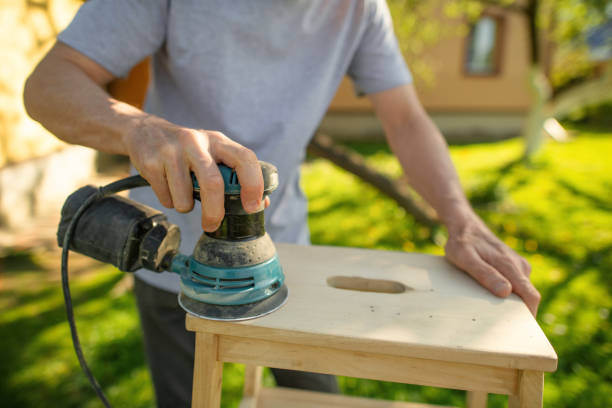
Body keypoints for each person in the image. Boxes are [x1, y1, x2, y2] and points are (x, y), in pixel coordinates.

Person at [24, 1, 541, 406]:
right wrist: (138, 127)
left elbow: (405, 119)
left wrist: (461, 218)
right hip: (169, 254)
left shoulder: (360, 7)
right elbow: (48, 84)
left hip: (287, 255)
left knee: (314, 399)